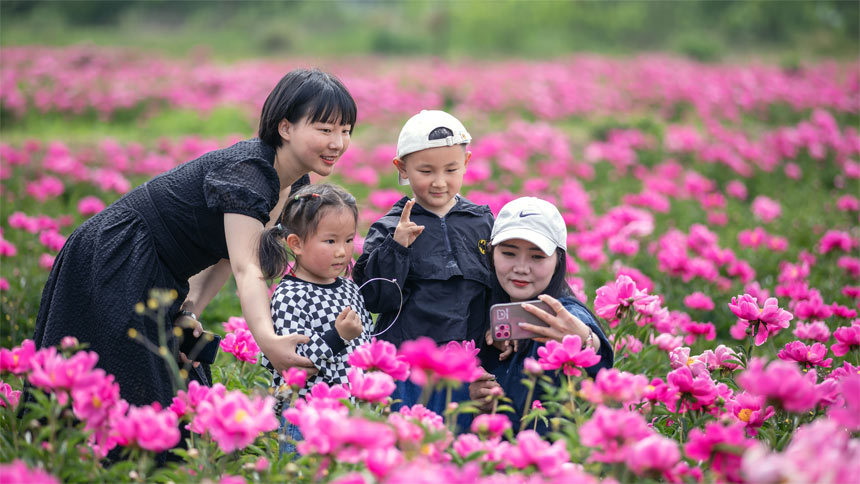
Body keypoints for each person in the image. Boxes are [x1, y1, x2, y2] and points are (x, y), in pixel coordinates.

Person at [32, 68, 357, 410]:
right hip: (117, 254)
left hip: (157, 269)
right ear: (285, 127)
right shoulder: (249, 171)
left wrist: (189, 313)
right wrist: (269, 342)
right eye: (325, 129)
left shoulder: (293, 182)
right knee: (128, 387)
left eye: (345, 131)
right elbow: (247, 267)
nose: (337, 143)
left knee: (175, 375)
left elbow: (226, 256)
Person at [352, 110, 493, 416]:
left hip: (468, 364)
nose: (439, 182)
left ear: (467, 163)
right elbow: (373, 298)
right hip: (408, 367)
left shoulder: (481, 221)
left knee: (460, 442)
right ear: (402, 168)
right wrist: (396, 248)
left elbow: (499, 286)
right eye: (426, 171)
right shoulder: (390, 227)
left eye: (451, 169)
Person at [469, 197, 614, 433]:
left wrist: (585, 341)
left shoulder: (562, 314)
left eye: (537, 257)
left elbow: (588, 339)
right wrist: (475, 399)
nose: (521, 267)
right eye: (509, 253)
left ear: (558, 261)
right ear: (492, 254)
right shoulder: (483, 311)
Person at [258, 183, 372, 455]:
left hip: (351, 410)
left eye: (348, 240)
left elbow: (365, 344)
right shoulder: (290, 294)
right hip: (306, 413)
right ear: (295, 244)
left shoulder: (349, 287)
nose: (342, 251)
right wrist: (339, 336)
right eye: (330, 241)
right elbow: (293, 360)